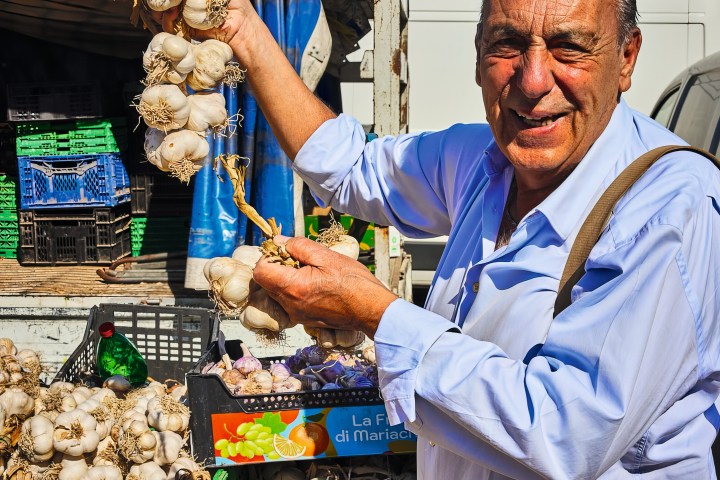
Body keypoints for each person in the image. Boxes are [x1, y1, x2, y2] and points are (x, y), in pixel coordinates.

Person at [162, 0, 720, 477]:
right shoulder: (480, 161)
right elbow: (349, 167)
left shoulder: (669, 206)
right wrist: (243, 30)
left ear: (625, 59)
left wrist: (377, 314)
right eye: (507, 44)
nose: (532, 80)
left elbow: (568, 436)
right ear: (478, 56)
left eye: (568, 47)